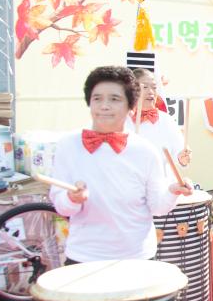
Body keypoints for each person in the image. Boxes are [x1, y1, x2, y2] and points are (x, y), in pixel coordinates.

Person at [49, 66, 193, 264]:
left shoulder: (145, 151)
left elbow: (157, 207)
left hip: (137, 257)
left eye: (114, 99)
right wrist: (72, 198)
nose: (104, 106)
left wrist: (173, 191)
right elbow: (61, 207)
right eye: (97, 98)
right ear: (89, 103)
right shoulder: (68, 146)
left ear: (130, 105)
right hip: (84, 256)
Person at [124, 68, 191, 173]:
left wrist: (183, 158)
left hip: (162, 183)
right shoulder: (121, 120)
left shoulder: (166, 120)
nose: (151, 92)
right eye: (145, 87)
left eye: (154, 87)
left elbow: (179, 153)